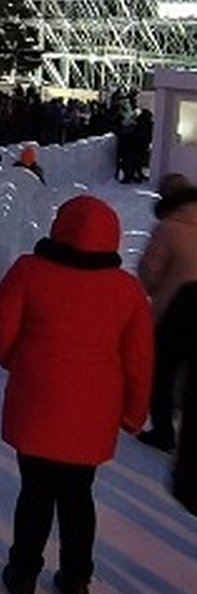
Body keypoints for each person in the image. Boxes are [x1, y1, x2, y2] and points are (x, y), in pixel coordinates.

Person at [0, 195, 153, 594]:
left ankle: (23, 574)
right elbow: (139, 357)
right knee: (79, 496)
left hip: (37, 403)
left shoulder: (30, 271)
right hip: (92, 415)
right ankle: (77, 579)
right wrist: (134, 411)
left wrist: (16, 360)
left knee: (35, 492)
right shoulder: (126, 291)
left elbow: (1, 321)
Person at [135, 173, 197, 453]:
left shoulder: (168, 229)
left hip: (171, 313)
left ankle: (163, 431)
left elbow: (150, 272)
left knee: (161, 373)